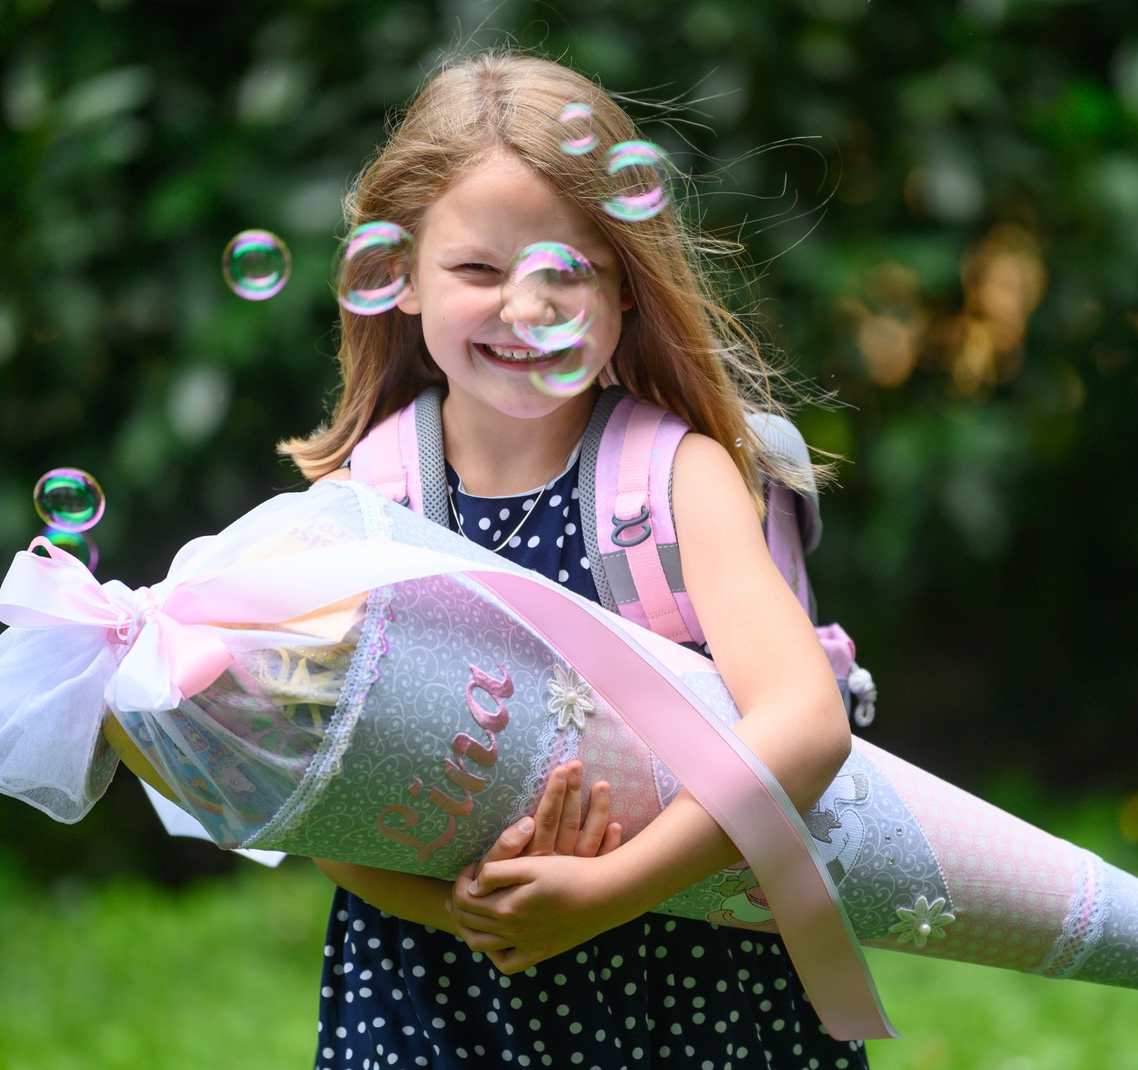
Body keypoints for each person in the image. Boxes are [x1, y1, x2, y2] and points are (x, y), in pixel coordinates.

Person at [278, 50, 865, 1070]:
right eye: (475, 269)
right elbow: (318, 788)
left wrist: (612, 887)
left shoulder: (673, 477)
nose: (522, 307)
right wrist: (477, 913)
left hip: (688, 988)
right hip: (439, 988)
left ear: (625, 291)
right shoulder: (364, 506)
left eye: (568, 271)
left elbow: (806, 721)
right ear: (397, 279)